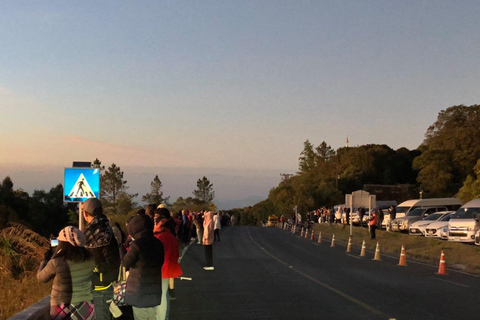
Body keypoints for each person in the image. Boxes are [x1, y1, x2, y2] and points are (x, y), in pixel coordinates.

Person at [37, 226, 95, 320]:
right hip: (85, 304)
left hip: (61, 307)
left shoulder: (56, 262)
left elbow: (41, 278)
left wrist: (46, 259)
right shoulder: (90, 259)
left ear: (63, 243)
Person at [83, 198, 120, 320]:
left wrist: (94, 268)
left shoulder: (90, 233)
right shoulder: (107, 228)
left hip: (100, 285)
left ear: (85, 213)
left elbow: (104, 260)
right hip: (108, 281)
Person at [122, 214, 164, 320]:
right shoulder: (158, 243)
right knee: (152, 315)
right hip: (154, 289)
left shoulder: (136, 245)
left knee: (140, 316)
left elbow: (125, 263)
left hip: (139, 290)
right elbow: (161, 261)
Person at [153, 211, 183, 320]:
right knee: (164, 296)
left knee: (159, 298)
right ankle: (163, 317)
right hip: (168, 270)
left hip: (159, 270)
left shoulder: (158, 238)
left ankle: (159, 317)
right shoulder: (171, 236)